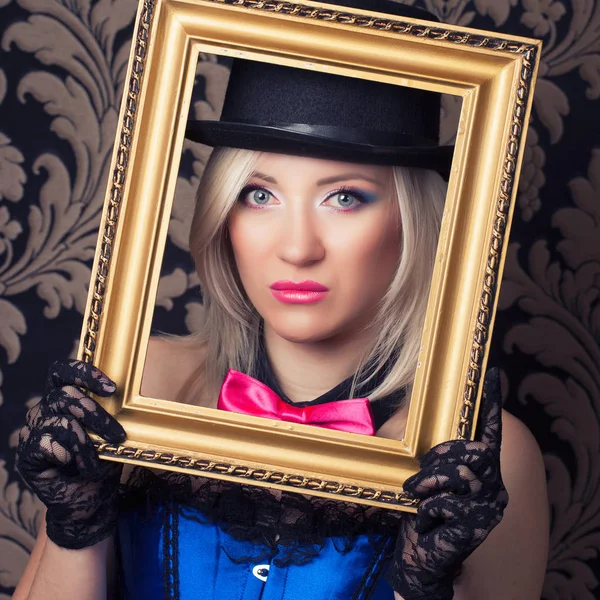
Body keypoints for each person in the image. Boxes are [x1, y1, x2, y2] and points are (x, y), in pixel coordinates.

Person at [12, 1, 548, 598]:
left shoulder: (473, 458)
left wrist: (422, 587)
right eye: (259, 195)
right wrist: (74, 530)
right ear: (223, 213)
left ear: (411, 221)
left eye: (344, 198)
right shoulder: (135, 392)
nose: (296, 248)